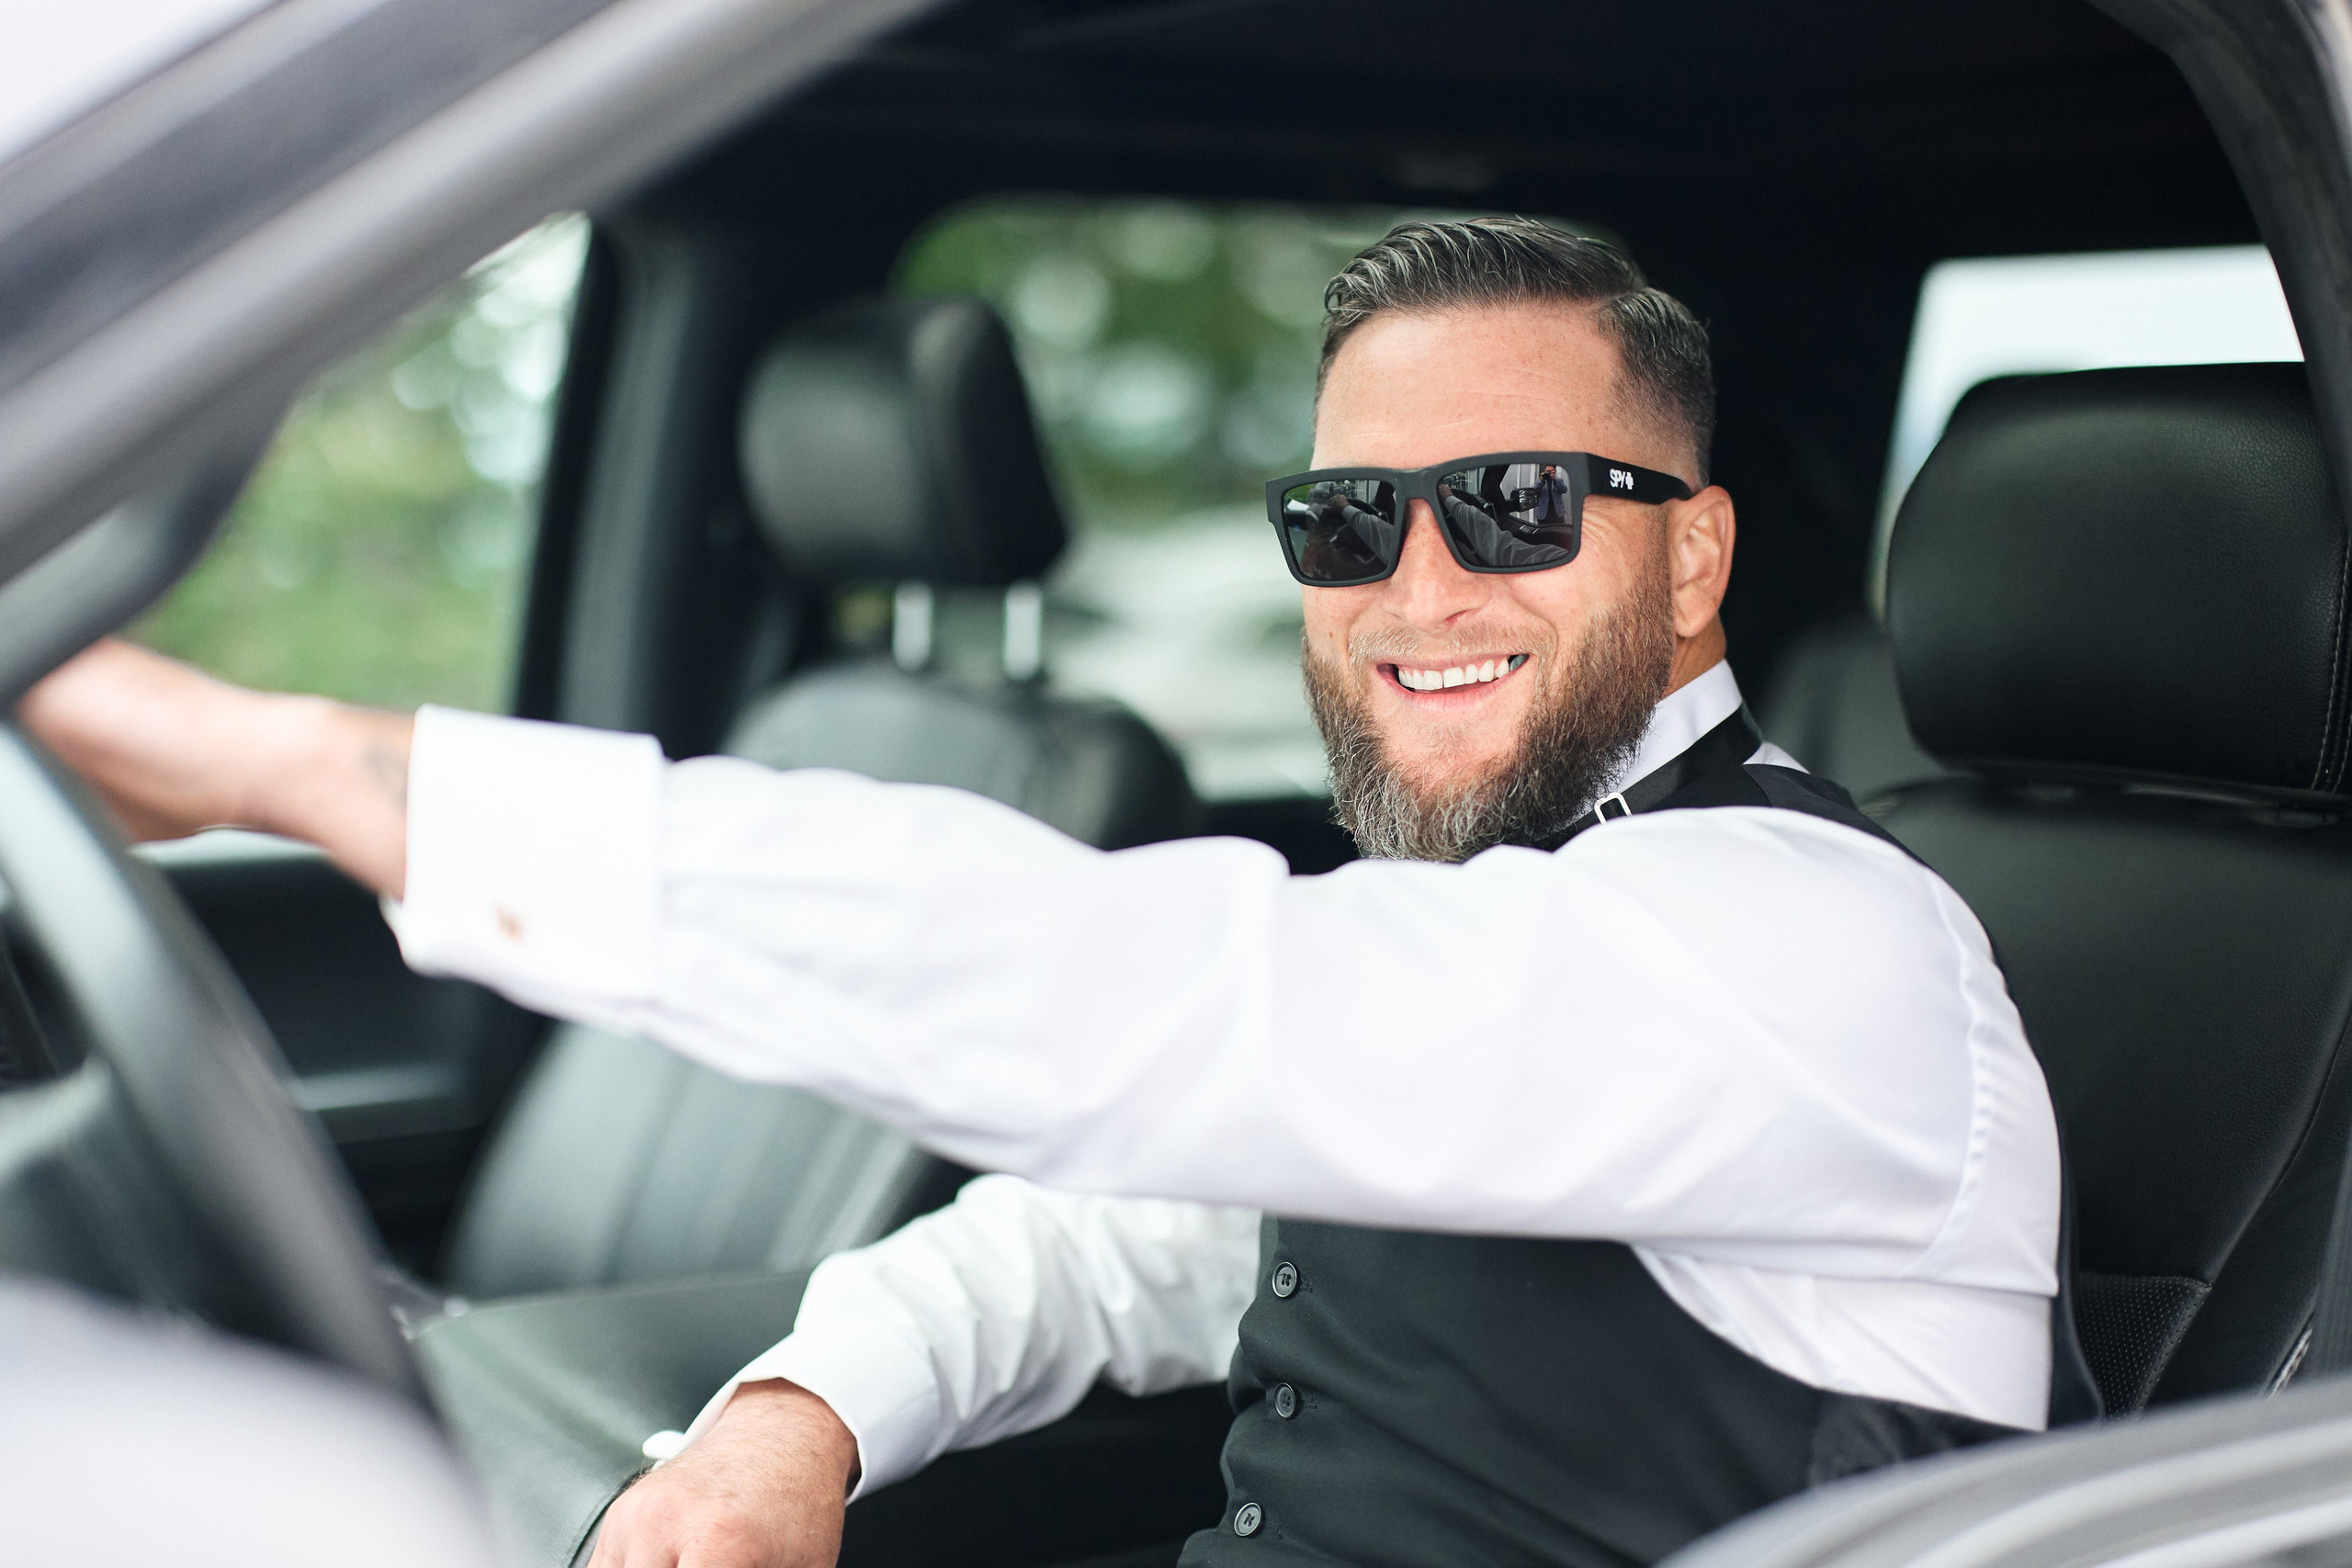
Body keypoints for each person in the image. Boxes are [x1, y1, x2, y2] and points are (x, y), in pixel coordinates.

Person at [20, 219, 2075, 1568]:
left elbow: (1127, 999)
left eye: (1516, 505)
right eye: (1347, 519)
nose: (1417, 584)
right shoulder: (1511, 917)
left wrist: (304, 772)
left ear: (1695, 556)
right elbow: (1144, 1226)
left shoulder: (1810, 943)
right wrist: (808, 1404)